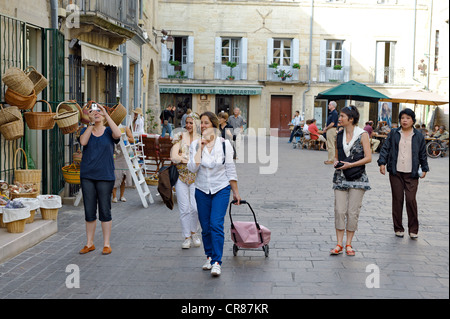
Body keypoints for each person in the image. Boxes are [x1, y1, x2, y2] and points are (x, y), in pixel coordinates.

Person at [187, 111, 241, 276]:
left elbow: (231, 170)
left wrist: (236, 192)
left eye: (206, 123)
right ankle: (209, 257)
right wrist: (200, 149)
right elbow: (192, 168)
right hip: (202, 189)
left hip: (221, 188)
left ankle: (217, 261)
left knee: (215, 224)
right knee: (205, 227)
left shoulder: (224, 145)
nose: (202, 126)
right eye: (201, 123)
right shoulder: (196, 145)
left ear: (213, 125)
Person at [377, 108, 429, 239]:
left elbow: (422, 153)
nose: (405, 121)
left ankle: (413, 229)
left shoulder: (418, 136)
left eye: (408, 118)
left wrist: (424, 168)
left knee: (411, 200)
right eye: (402, 118)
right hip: (396, 172)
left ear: (413, 120)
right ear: (400, 120)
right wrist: (382, 163)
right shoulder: (394, 133)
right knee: (397, 199)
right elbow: (385, 148)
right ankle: (398, 228)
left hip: (411, 174)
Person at [78, 103, 122, 255]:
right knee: (89, 210)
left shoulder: (109, 131)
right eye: (93, 111)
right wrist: (90, 122)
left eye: (99, 111)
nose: (96, 113)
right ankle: (89, 243)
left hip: (105, 176)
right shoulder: (85, 130)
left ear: (104, 115)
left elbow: (119, 134)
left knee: (105, 209)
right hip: (88, 175)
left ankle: (106, 243)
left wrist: (106, 114)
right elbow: (83, 142)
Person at [330, 105, 372, 256]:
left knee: (352, 212)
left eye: (342, 116)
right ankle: (338, 244)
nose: (339, 118)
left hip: (358, 177)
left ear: (351, 119)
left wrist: (351, 165)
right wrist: (336, 162)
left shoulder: (363, 135)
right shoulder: (338, 135)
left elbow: (369, 158)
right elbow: (336, 155)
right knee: (339, 210)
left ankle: (348, 244)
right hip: (340, 177)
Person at [171, 112, 201, 249]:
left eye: (191, 122)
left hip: (197, 178)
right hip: (181, 176)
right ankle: (186, 237)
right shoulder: (179, 136)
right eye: (187, 122)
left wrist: (182, 157)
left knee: (195, 208)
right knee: (184, 209)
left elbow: (201, 159)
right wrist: (188, 159)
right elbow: (173, 157)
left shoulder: (201, 139)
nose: (188, 125)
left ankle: (194, 232)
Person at [112, 125, 134, 203]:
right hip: (115, 154)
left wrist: (123, 138)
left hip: (124, 155)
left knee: (124, 177)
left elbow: (132, 139)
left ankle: (122, 196)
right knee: (115, 176)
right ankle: (114, 196)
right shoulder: (110, 128)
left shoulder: (125, 128)